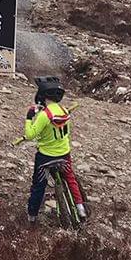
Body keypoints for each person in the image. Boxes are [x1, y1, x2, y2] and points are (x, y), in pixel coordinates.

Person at [25, 77, 86, 224]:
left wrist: (29, 118)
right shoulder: (64, 110)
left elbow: (30, 135)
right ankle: (80, 207)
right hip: (64, 154)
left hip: (45, 157)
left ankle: (32, 215)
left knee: (39, 185)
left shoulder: (44, 115)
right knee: (70, 179)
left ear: (43, 96)